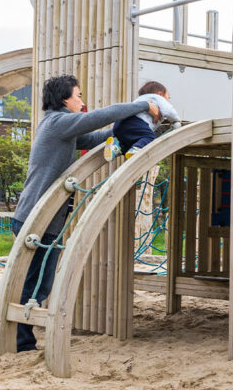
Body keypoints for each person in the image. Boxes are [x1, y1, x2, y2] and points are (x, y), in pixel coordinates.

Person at [9, 75, 160, 352]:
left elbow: (97, 137)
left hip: (45, 217)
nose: (82, 101)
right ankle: (21, 342)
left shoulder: (61, 129)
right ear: (65, 99)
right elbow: (101, 117)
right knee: (36, 283)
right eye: (78, 95)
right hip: (36, 216)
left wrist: (130, 132)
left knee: (40, 282)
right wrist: (141, 106)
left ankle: (22, 338)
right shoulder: (58, 122)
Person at [102, 80, 181, 161]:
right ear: (160, 94)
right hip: (135, 123)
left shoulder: (139, 100)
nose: (169, 100)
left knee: (129, 143)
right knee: (149, 137)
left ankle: (115, 147)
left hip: (120, 124)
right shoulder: (157, 98)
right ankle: (136, 150)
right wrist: (176, 120)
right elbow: (169, 110)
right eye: (168, 97)